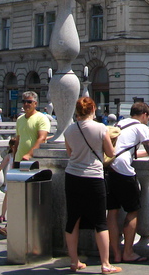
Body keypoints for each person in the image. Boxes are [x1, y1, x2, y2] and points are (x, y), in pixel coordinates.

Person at [64, 97, 120, 274]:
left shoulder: (69, 130)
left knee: (73, 219)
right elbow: (110, 153)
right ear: (93, 109)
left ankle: (74, 261)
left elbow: (70, 153)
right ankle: (105, 264)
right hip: (94, 177)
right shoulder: (101, 128)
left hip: (72, 176)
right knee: (100, 221)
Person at [106, 102, 149, 264]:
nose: (148, 120)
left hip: (109, 169)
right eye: (148, 117)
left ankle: (116, 254)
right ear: (144, 115)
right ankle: (128, 252)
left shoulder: (119, 124)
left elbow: (127, 150)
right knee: (132, 211)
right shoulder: (141, 127)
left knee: (112, 212)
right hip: (124, 172)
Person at [0, 91, 50, 237]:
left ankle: (32, 228)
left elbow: (42, 138)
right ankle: (10, 226)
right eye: (24, 101)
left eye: (29, 102)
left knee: (33, 197)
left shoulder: (42, 118)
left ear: (35, 103)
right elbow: (18, 141)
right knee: (17, 195)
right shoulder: (20, 119)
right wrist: (15, 159)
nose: (26, 104)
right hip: (20, 161)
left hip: (35, 162)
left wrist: (30, 154)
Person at [0, 135, 18, 224]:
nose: (15, 148)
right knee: (7, 197)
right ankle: (2, 214)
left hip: (18, 178)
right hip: (11, 178)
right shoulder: (9, 156)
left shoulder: (21, 154)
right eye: (13, 146)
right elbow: (1, 165)